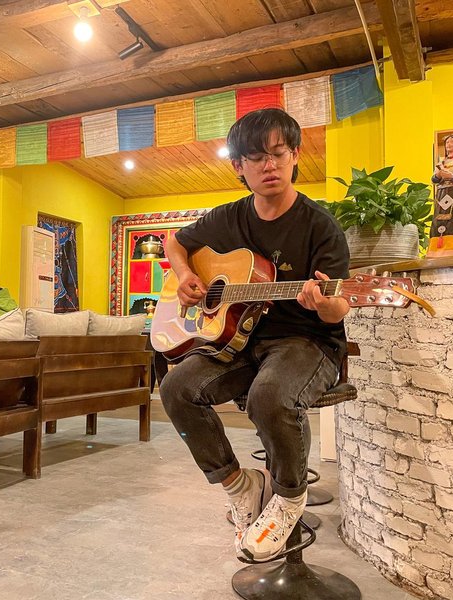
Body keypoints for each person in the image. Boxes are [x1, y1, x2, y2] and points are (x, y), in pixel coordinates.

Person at [158, 108, 350, 564]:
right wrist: (185, 275)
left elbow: (340, 306)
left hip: (307, 341)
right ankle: (239, 486)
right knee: (176, 387)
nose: (269, 165)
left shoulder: (321, 226)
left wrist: (323, 302)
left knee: (270, 396)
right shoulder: (229, 217)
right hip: (240, 342)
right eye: (256, 157)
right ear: (238, 166)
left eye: (278, 153)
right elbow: (175, 242)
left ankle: (288, 497)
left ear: (295, 155)